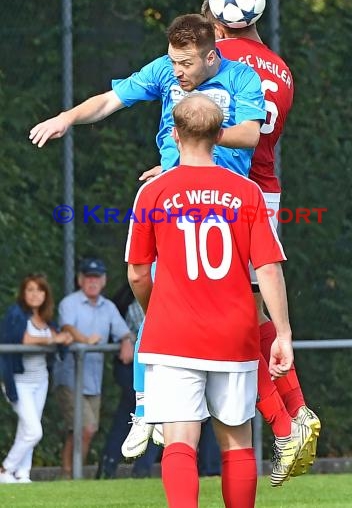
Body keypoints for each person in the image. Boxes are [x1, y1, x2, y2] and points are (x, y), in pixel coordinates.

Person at [29, 14, 267, 460]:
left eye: (186, 63)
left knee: (249, 310)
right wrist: (66, 118)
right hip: (178, 200)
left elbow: (252, 134)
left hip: (228, 204)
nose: (177, 71)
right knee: (153, 296)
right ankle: (145, 407)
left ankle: (273, 411)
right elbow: (108, 101)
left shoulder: (242, 78)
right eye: (174, 61)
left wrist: (196, 145)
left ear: (212, 55)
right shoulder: (163, 69)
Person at [126, 93, 293, 508]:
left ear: (174, 135)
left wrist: (155, 310)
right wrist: (283, 334)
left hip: (173, 334)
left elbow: (135, 273)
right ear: (220, 135)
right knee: (236, 440)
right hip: (233, 334)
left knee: (180, 439)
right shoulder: (247, 192)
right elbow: (269, 269)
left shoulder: (154, 193)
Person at [200, 0, 321, 481]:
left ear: (217, 15)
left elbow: (199, 119)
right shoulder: (282, 69)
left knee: (226, 322)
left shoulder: (213, 58)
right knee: (246, 313)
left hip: (226, 190)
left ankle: (284, 423)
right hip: (266, 192)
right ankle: (295, 410)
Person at [53, 257, 134, 478]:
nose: (92, 282)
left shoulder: (108, 307)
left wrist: (126, 340)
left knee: (82, 430)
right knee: (86, 428)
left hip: (93, 381)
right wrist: (85, 340)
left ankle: (68, 475)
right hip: (70, 378)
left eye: (96, 277)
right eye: (88, 277)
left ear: (104, 280)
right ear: (80, 280)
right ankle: (72, 474)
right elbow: (67, 326)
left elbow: (123, 330)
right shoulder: (69, 303)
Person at [0, 274, 72, 484]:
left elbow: (58, 337)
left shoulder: (46, 318)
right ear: (23, 293)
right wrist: (53, 339)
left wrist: (64, 337)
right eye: (30, 289)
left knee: (27, 428)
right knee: (34, 431)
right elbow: (22, 338)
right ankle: (6, 469)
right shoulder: (16, 313)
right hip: (18, 380)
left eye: (39, 290)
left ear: (45, 294)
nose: (34, 294)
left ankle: (23, 474)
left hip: (40, 380)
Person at [96, 283, 161, 479]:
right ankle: (110, 468)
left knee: (156, 419)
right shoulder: (136, 305)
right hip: (139, 368)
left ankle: (139, 469)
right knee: (134, 417)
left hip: (157, 368)